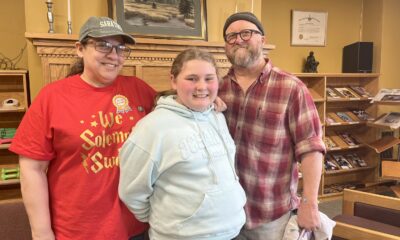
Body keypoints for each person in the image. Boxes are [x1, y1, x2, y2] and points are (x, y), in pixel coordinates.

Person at [9, 16, 156, 240]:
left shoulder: (139, 89)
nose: (114, 55)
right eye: (103, 45)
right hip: (78, 230)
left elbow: (175, 115)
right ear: (80, 49)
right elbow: (32, 169)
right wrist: (41, 232)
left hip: (136, 227)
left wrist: (207, 102)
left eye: (120, 48)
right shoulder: (52, 97)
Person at [219, 12, 326, 240]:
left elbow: (312, 148)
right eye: (231, 36)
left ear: (263, 40)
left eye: (246, 33)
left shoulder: (292, 88)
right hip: (225, 213)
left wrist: (310, 203)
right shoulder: (215, 88)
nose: (238, 39)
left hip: (271, 216)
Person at [119, 48, 246, 240]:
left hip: (232, 231)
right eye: (192, 78)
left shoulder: (216, 116)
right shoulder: (151, 128)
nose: (202, 86)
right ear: (173, 80)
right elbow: (132, 192)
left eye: (209, 78)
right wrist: (169, 223)